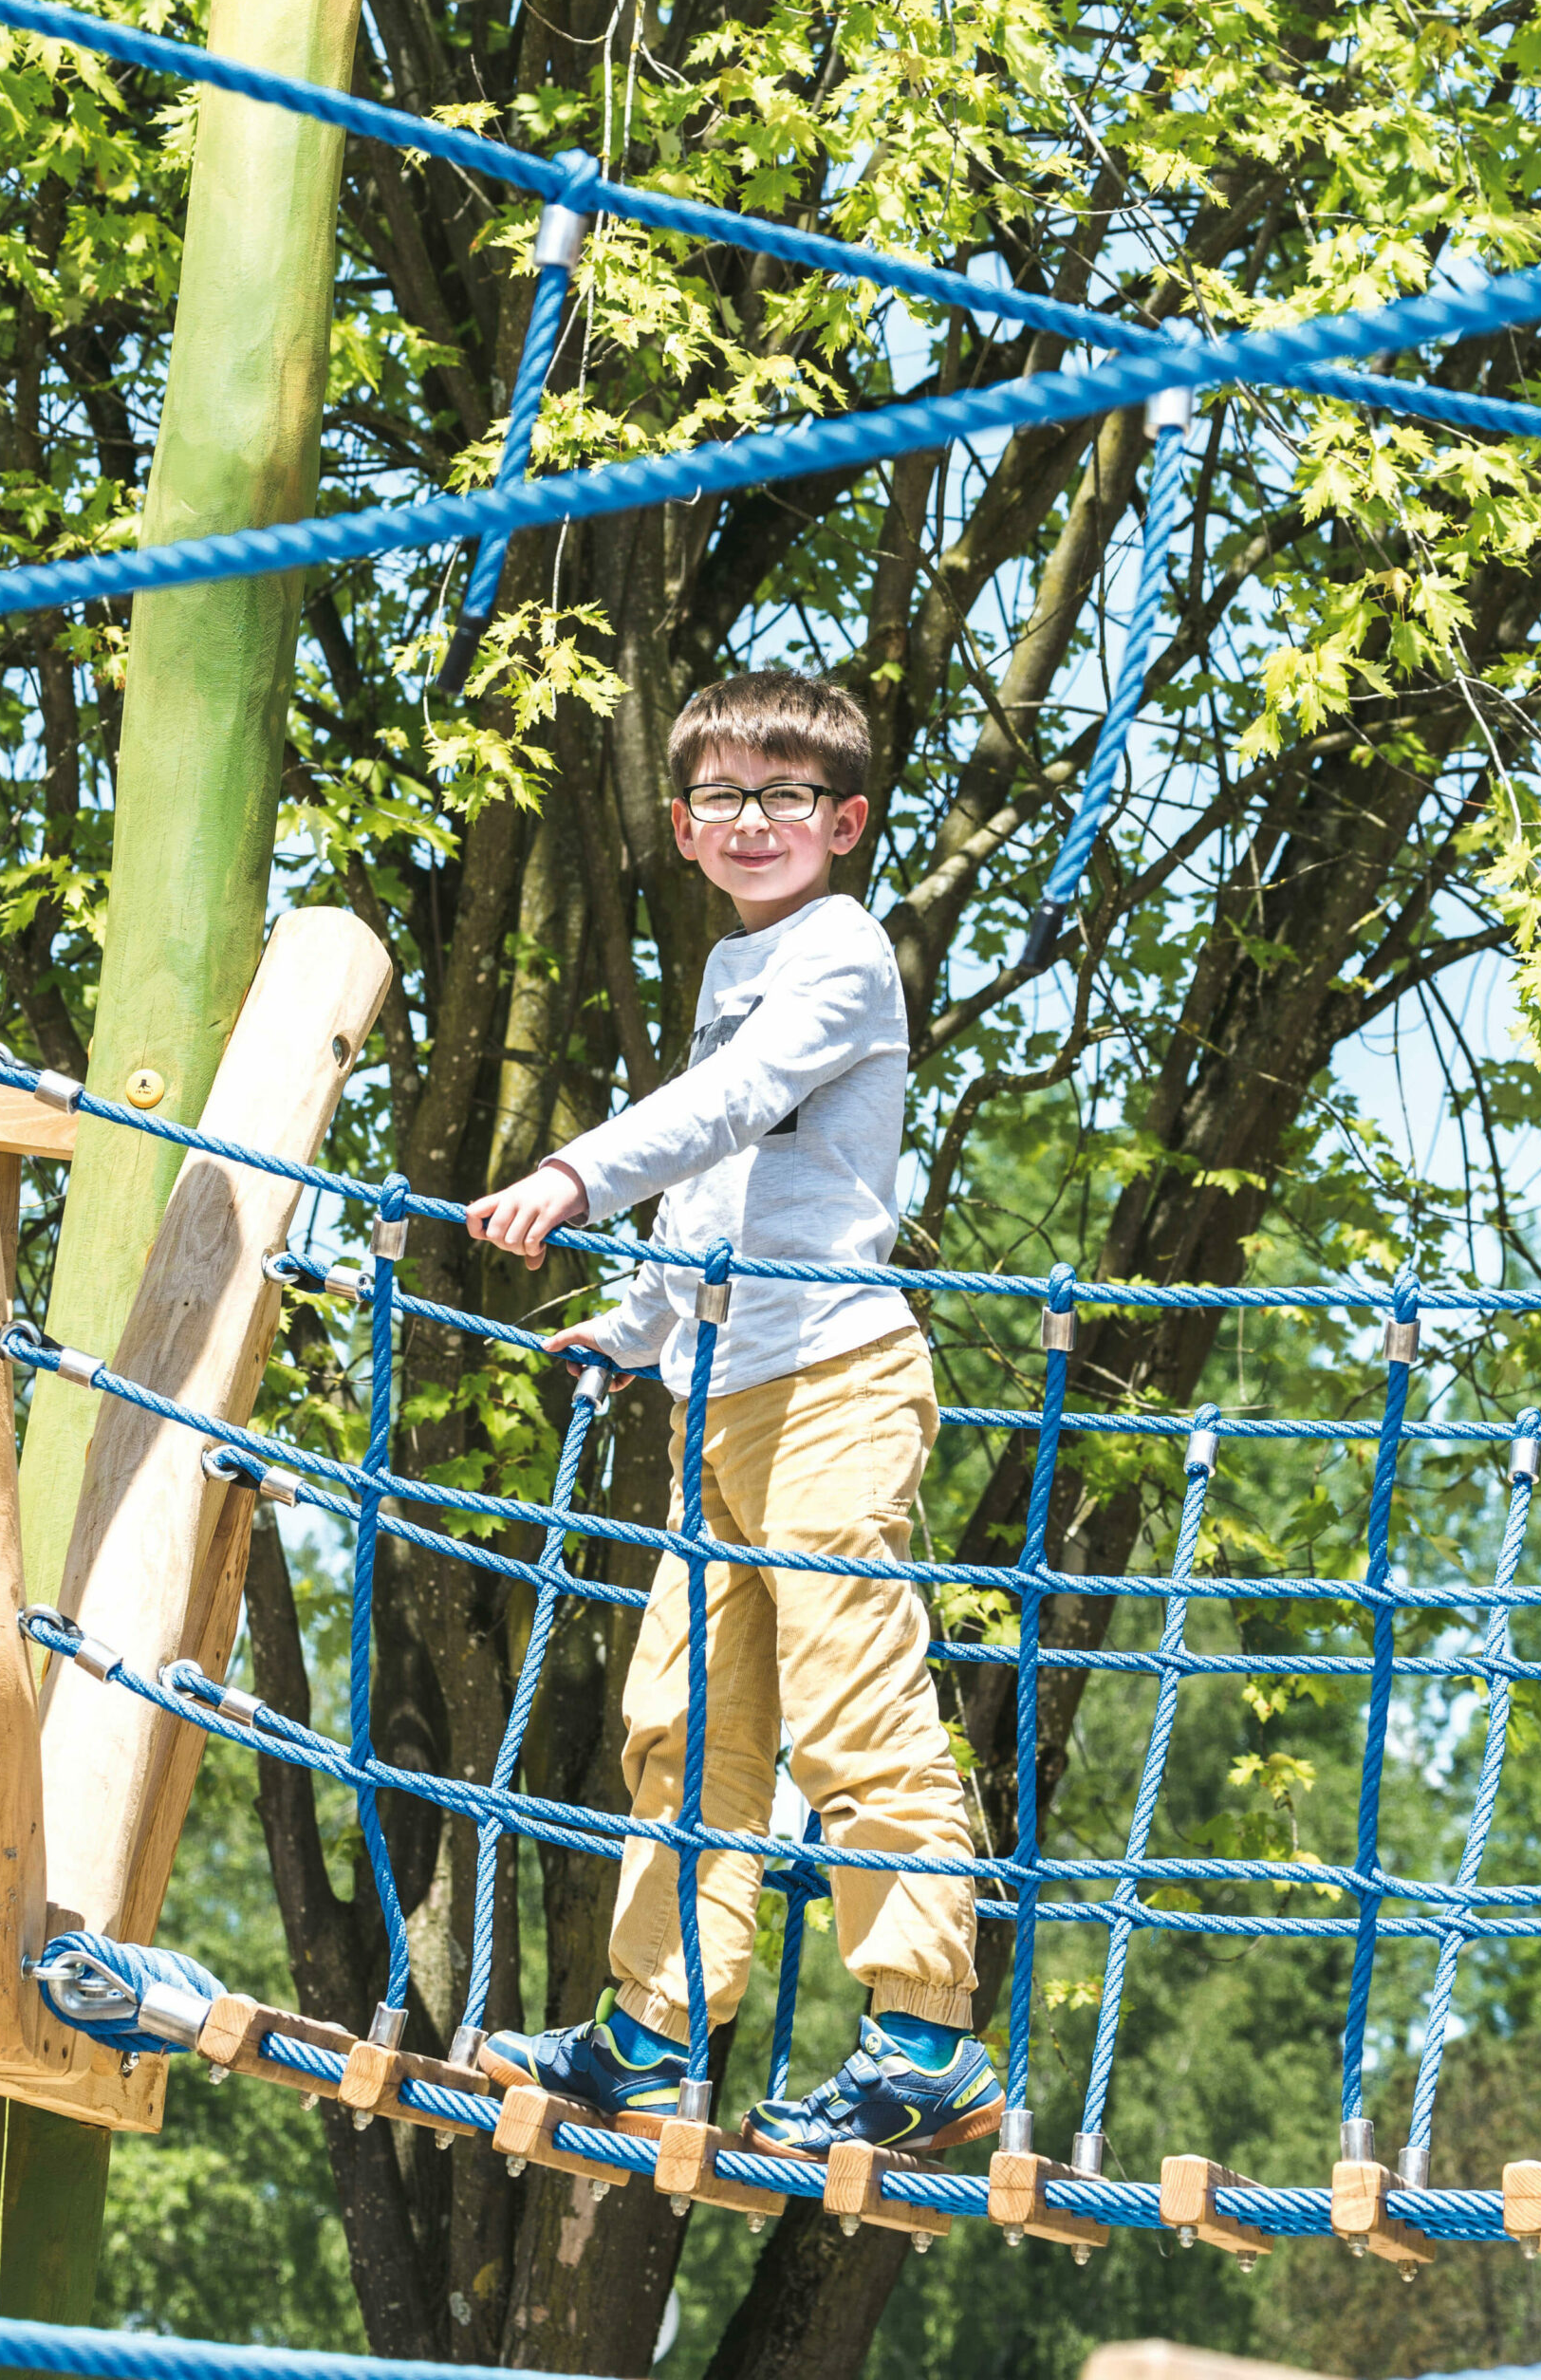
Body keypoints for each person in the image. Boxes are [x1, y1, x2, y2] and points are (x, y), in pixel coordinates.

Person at [460, 670, 1000, 2158]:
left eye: (782, 798)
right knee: (685, 1722)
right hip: (722, 1392)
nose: (750, 822)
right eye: (720, 800)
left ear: (845, 822)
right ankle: (653, 2023)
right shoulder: (730, 967)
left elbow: (735, 1106)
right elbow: (723, 1186)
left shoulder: (839, 956)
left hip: (832, 1378)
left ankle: (923, 2033)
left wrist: (572, 1176)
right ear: (684, 830)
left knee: (852, 1698)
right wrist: (638, 1324)